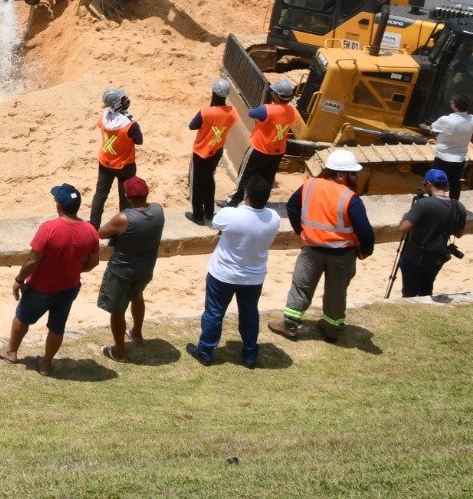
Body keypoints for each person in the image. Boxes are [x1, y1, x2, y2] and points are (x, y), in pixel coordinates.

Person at [270, 149, 374, 344]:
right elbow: (364, 230)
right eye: (354, 173)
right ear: (341, 175)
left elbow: (291, 206)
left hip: (312, 249)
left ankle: (290, 325)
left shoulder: (310, 185)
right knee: (336, 292)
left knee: (301, 286)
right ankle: (332, 329)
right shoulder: (350, 198)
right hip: (342, 254)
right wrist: (366, 250)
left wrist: (300, 231)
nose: (357, 177)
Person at [0, 184, 100, 377]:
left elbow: (32, 260)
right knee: (57, 326)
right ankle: (46, 363)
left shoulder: (49, 228)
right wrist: (75, 269)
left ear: (59, 206)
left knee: (22, 317)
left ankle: (11, 351)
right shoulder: (90, 231)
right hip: (69, 286)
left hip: (41, 287)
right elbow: (93, 263)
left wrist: (19, 279)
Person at [187, 176, 281, 367]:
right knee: (250, 314)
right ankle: (250, 354)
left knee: (214, 313)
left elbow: (216, 223)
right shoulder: (274, 218)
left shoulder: (231, 214)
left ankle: (205, 351)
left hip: (223, 274)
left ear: (246, 195)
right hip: (253, 278)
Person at [96, 176, 165, 363]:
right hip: (145, 270)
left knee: (117, 311)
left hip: (121, 272)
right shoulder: (158, 211)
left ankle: (120, 352)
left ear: (127, 196)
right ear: (147, 193)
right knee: (137, 297)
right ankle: (137, 333)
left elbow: (101, 233)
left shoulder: (123, 218)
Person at [224, 79, 298, 207]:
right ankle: (260, 203)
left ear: (276, 96)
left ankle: (233, 201)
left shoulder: (267, 110)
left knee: (245, 175)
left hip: (259, 149)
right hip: (277, 151)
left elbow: (252, 113)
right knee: (267, 178)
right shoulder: (293, 112)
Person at [397, 170, 466, 298]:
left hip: (414, 257)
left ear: (429, 184)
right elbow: (459, 234)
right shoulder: (458, 207)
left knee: (409, 293)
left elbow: (403, 228)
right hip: (437, 257)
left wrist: (405, 217)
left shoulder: (423, 205)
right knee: (426, 290)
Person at [186, 80, 239, 225]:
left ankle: (198, 215)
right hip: (217, 150)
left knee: (197, 182)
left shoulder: (205, 112)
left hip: (201, 151)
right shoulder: (233, 112)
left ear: (213, 93)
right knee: (209, 179)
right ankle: (209, 212)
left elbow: (192, 125)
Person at [89, 89, 142, 228]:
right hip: (125, 165)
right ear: (118, 103)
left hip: (105, 162)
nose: (126, 100)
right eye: (123, 99)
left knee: (100, 195)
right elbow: (139, 141)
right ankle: (123, 229)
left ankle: (93, 226)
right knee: (125, 198)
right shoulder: (130, 124)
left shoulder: (103, 119)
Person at [428, 95, 473, 200]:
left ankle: (434, 203)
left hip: (442, 158)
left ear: (454, 106)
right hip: (459, 159)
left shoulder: (446, 119)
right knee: (455, 183)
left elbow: (433, 128)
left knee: (434, 181)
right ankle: (453, 205)